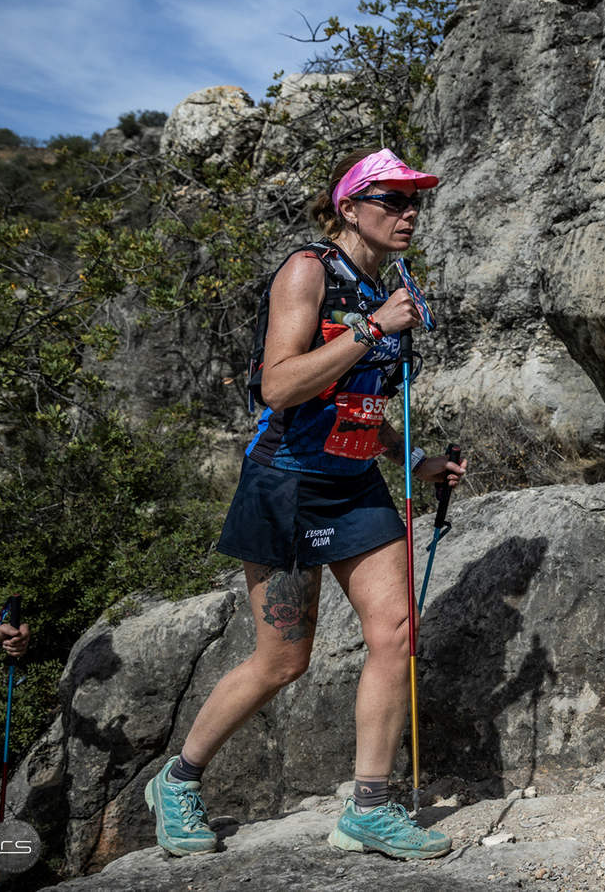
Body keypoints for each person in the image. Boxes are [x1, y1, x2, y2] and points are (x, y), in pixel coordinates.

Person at [145, 148, 466, 861]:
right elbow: (280, 386)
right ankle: (177, 779)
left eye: (415, 201)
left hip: (355, 483)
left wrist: (414, 459)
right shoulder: (308, 271)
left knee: (396, 633)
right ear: (349, 207)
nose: (409, 213)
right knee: (282, 663)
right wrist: (373, 328)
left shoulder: (392, 283)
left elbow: (359, 399)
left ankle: (368, 809)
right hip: (286, 485)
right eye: (392, 199)